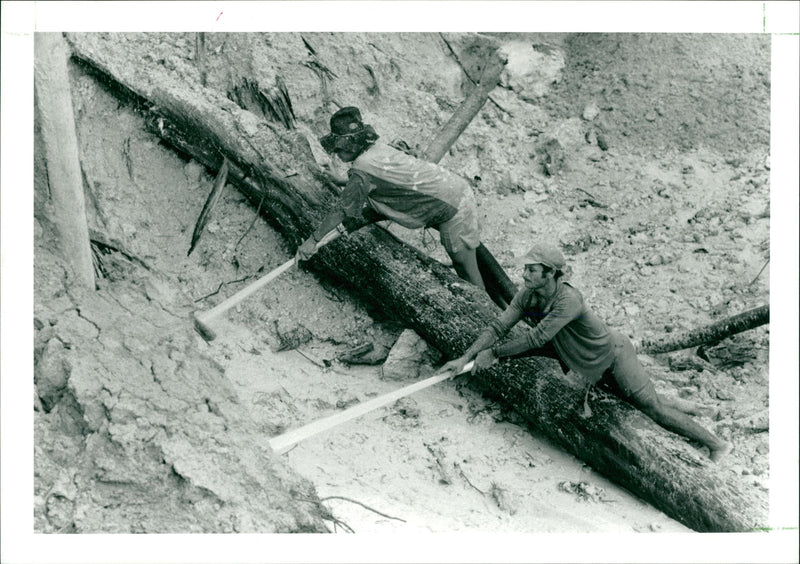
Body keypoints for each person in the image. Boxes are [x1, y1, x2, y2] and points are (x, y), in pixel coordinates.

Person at [437, 242, 732, 462]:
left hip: (613, 355)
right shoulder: (527, 294)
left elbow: (538, 337)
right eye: (524, 268)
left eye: (531, 269)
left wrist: (496, 354)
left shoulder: (568, 299)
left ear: (551, 273)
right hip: (585, 359)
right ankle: (700, 410)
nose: (524, 274)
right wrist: (467, 357)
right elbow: (497, 325)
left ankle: (717, 444)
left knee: (650, 408)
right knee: (636, 398)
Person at [297, 106, 487, 292]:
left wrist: (312, 241)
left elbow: (342, 209)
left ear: (351, 144)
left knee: (465, 266)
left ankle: (487, 312)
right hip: (452, 190)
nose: (337, 154)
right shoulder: (375, 149)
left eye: (339, 149)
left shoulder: (362, 168)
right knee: (463, 263)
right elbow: (378, 176)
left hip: (454, 205)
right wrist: (341, 180)